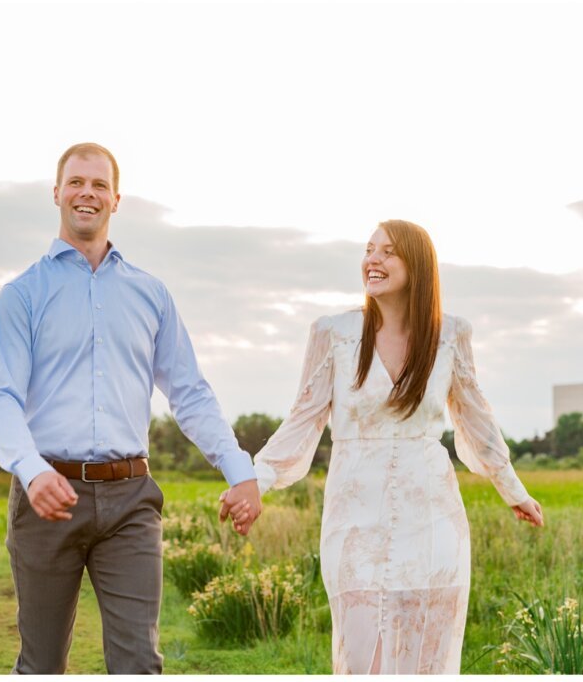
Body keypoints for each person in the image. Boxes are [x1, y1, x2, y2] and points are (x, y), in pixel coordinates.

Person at [0, 142, 262, 674]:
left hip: (131, 499)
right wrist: (31, 469)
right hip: (47, 498)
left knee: (139, 664)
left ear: (116, 199)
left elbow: (190, 393)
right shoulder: (22, 295)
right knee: (41, 664)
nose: (87, 193)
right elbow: (1, 398)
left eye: (99, 184)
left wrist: (239, 470)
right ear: (57, 192)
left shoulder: (150, 294)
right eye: (77, 182)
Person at [221, 219, 544, 674]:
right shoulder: (333, 333)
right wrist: (255, 478)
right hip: (354, 523)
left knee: (428, 658)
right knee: (361, 659)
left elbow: (477, 420)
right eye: (369, 250)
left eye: (387, 251)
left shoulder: (451, 334)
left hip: (432, 521)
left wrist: (514, 490)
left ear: (418, 264)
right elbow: (303, 419)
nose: (372, 260)